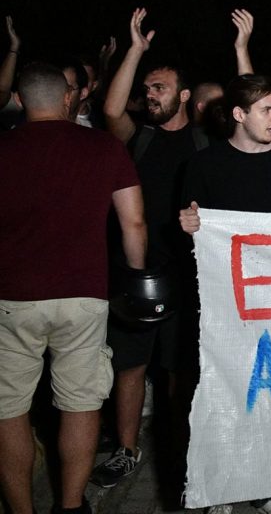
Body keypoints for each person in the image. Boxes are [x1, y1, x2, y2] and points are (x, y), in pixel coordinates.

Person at [0, 62, 147, 514]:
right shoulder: (104, 147)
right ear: (69, 97)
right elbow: (134, 223)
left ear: (19, 100)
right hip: (84, 294)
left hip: (11, 297)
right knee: (80, 404)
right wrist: (137, 277)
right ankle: (69, 506)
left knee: (8, 409)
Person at [179, 74, 271, 514]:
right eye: (266, 110)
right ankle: (221, 488)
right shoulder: (205, 165)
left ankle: (268, 485)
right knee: (225, 392)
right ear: (239, 114)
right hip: (224, 302)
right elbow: (189, 233)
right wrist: (187, 226)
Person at [94, 8, 204, 489]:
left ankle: (181, 448)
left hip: (187, 276)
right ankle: (126, 450)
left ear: (184, 95)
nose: (151, 94)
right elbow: (111, 111)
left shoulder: (203, 143)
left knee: (180, 369)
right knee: (130, 366)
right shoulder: (139, 138)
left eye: (160, 87)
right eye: (148, 88)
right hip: (135, 272)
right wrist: (135, 51)